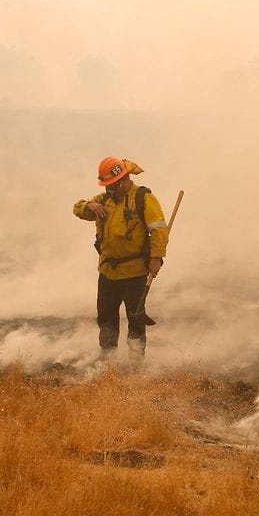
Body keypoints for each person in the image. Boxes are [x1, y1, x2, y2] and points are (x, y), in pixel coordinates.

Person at [73, 156, 169, 367]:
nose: (108, 190)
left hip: (134, 273)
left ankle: (136, 366)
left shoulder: (143, 198)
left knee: (135, 320)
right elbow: (77, 208)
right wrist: (89, 205)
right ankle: (107, 362)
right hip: (108, 271)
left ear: (123, 180)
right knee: (106, 318)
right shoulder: (104, 200)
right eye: (106, 186)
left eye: (111, 185)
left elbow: (159, 230)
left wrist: (156, 257)